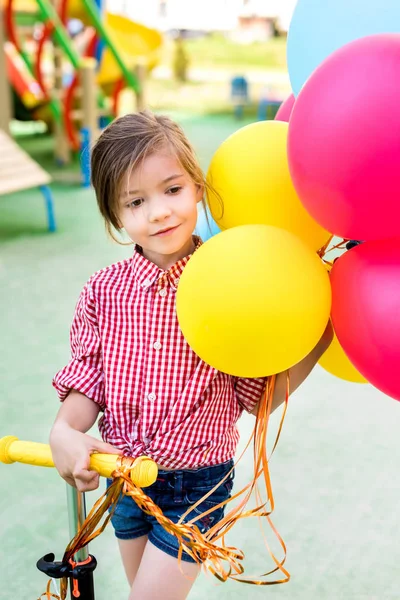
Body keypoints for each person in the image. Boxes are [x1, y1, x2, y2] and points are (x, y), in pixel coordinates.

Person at [49, 110, 333, 600]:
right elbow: (89, 378)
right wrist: (64, 430)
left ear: (198, 187)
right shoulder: (104, 291)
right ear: (115, 215)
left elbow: (254, 392)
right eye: (136, 202)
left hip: (195, 484)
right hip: (125, 481)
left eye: (172, 190)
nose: (158, 212)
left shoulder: (231, 283)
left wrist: (319, 331)